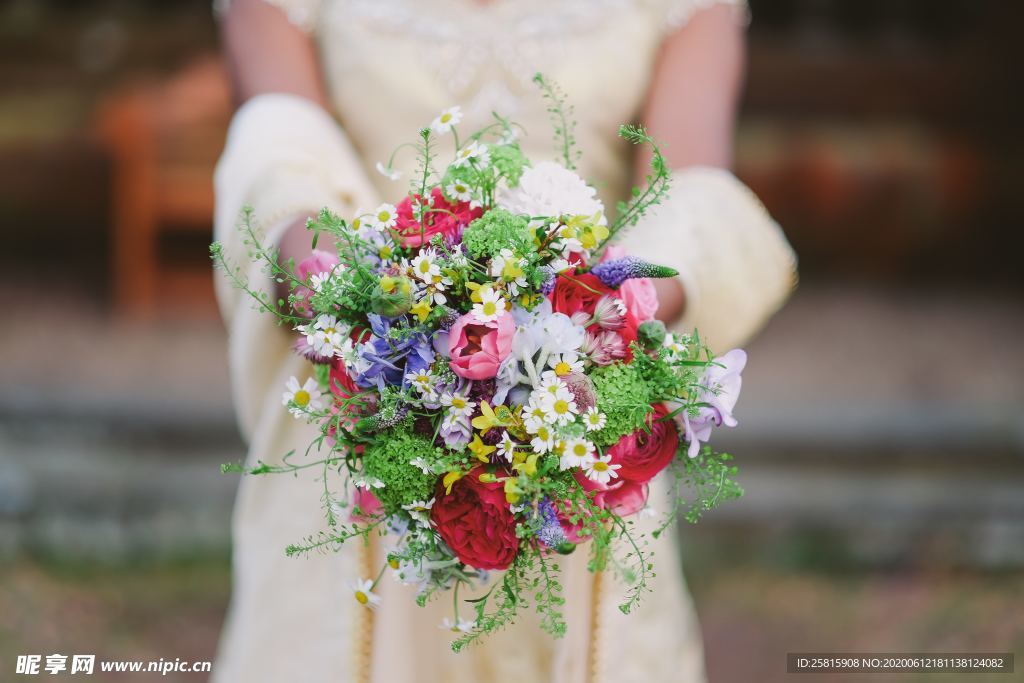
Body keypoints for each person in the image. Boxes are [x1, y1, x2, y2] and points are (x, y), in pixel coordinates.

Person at [211, 1, 797, 681]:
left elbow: (686, 191)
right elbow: (280, 151)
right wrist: (354, 298)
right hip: (368, 408)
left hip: (578, 415)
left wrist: (600, 314)